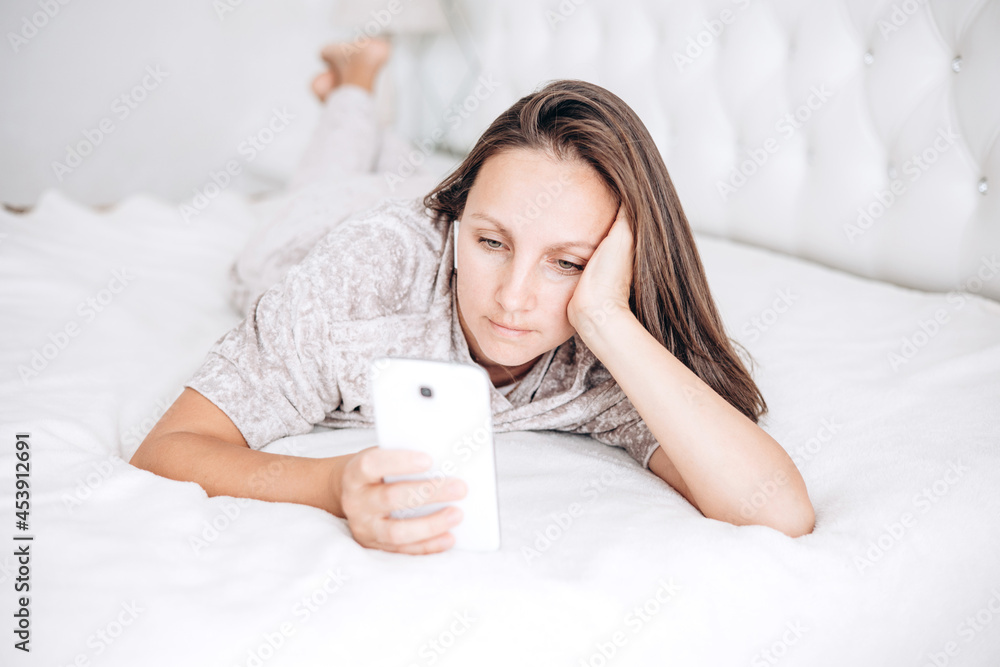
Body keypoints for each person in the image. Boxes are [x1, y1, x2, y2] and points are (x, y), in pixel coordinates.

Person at [129, 39, 815, 555]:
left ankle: (368, 105)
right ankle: (354, 84)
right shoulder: (365, 275)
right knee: (320, 183)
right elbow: (170, 447)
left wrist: (604, 315)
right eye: (491, 243)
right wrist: (330, 485)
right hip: (316, 230)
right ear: (457, 217)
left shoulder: (607, 340)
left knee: (390, 168)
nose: (513, 299)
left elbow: (778, 512)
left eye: (567, 262)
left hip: (421, 199)